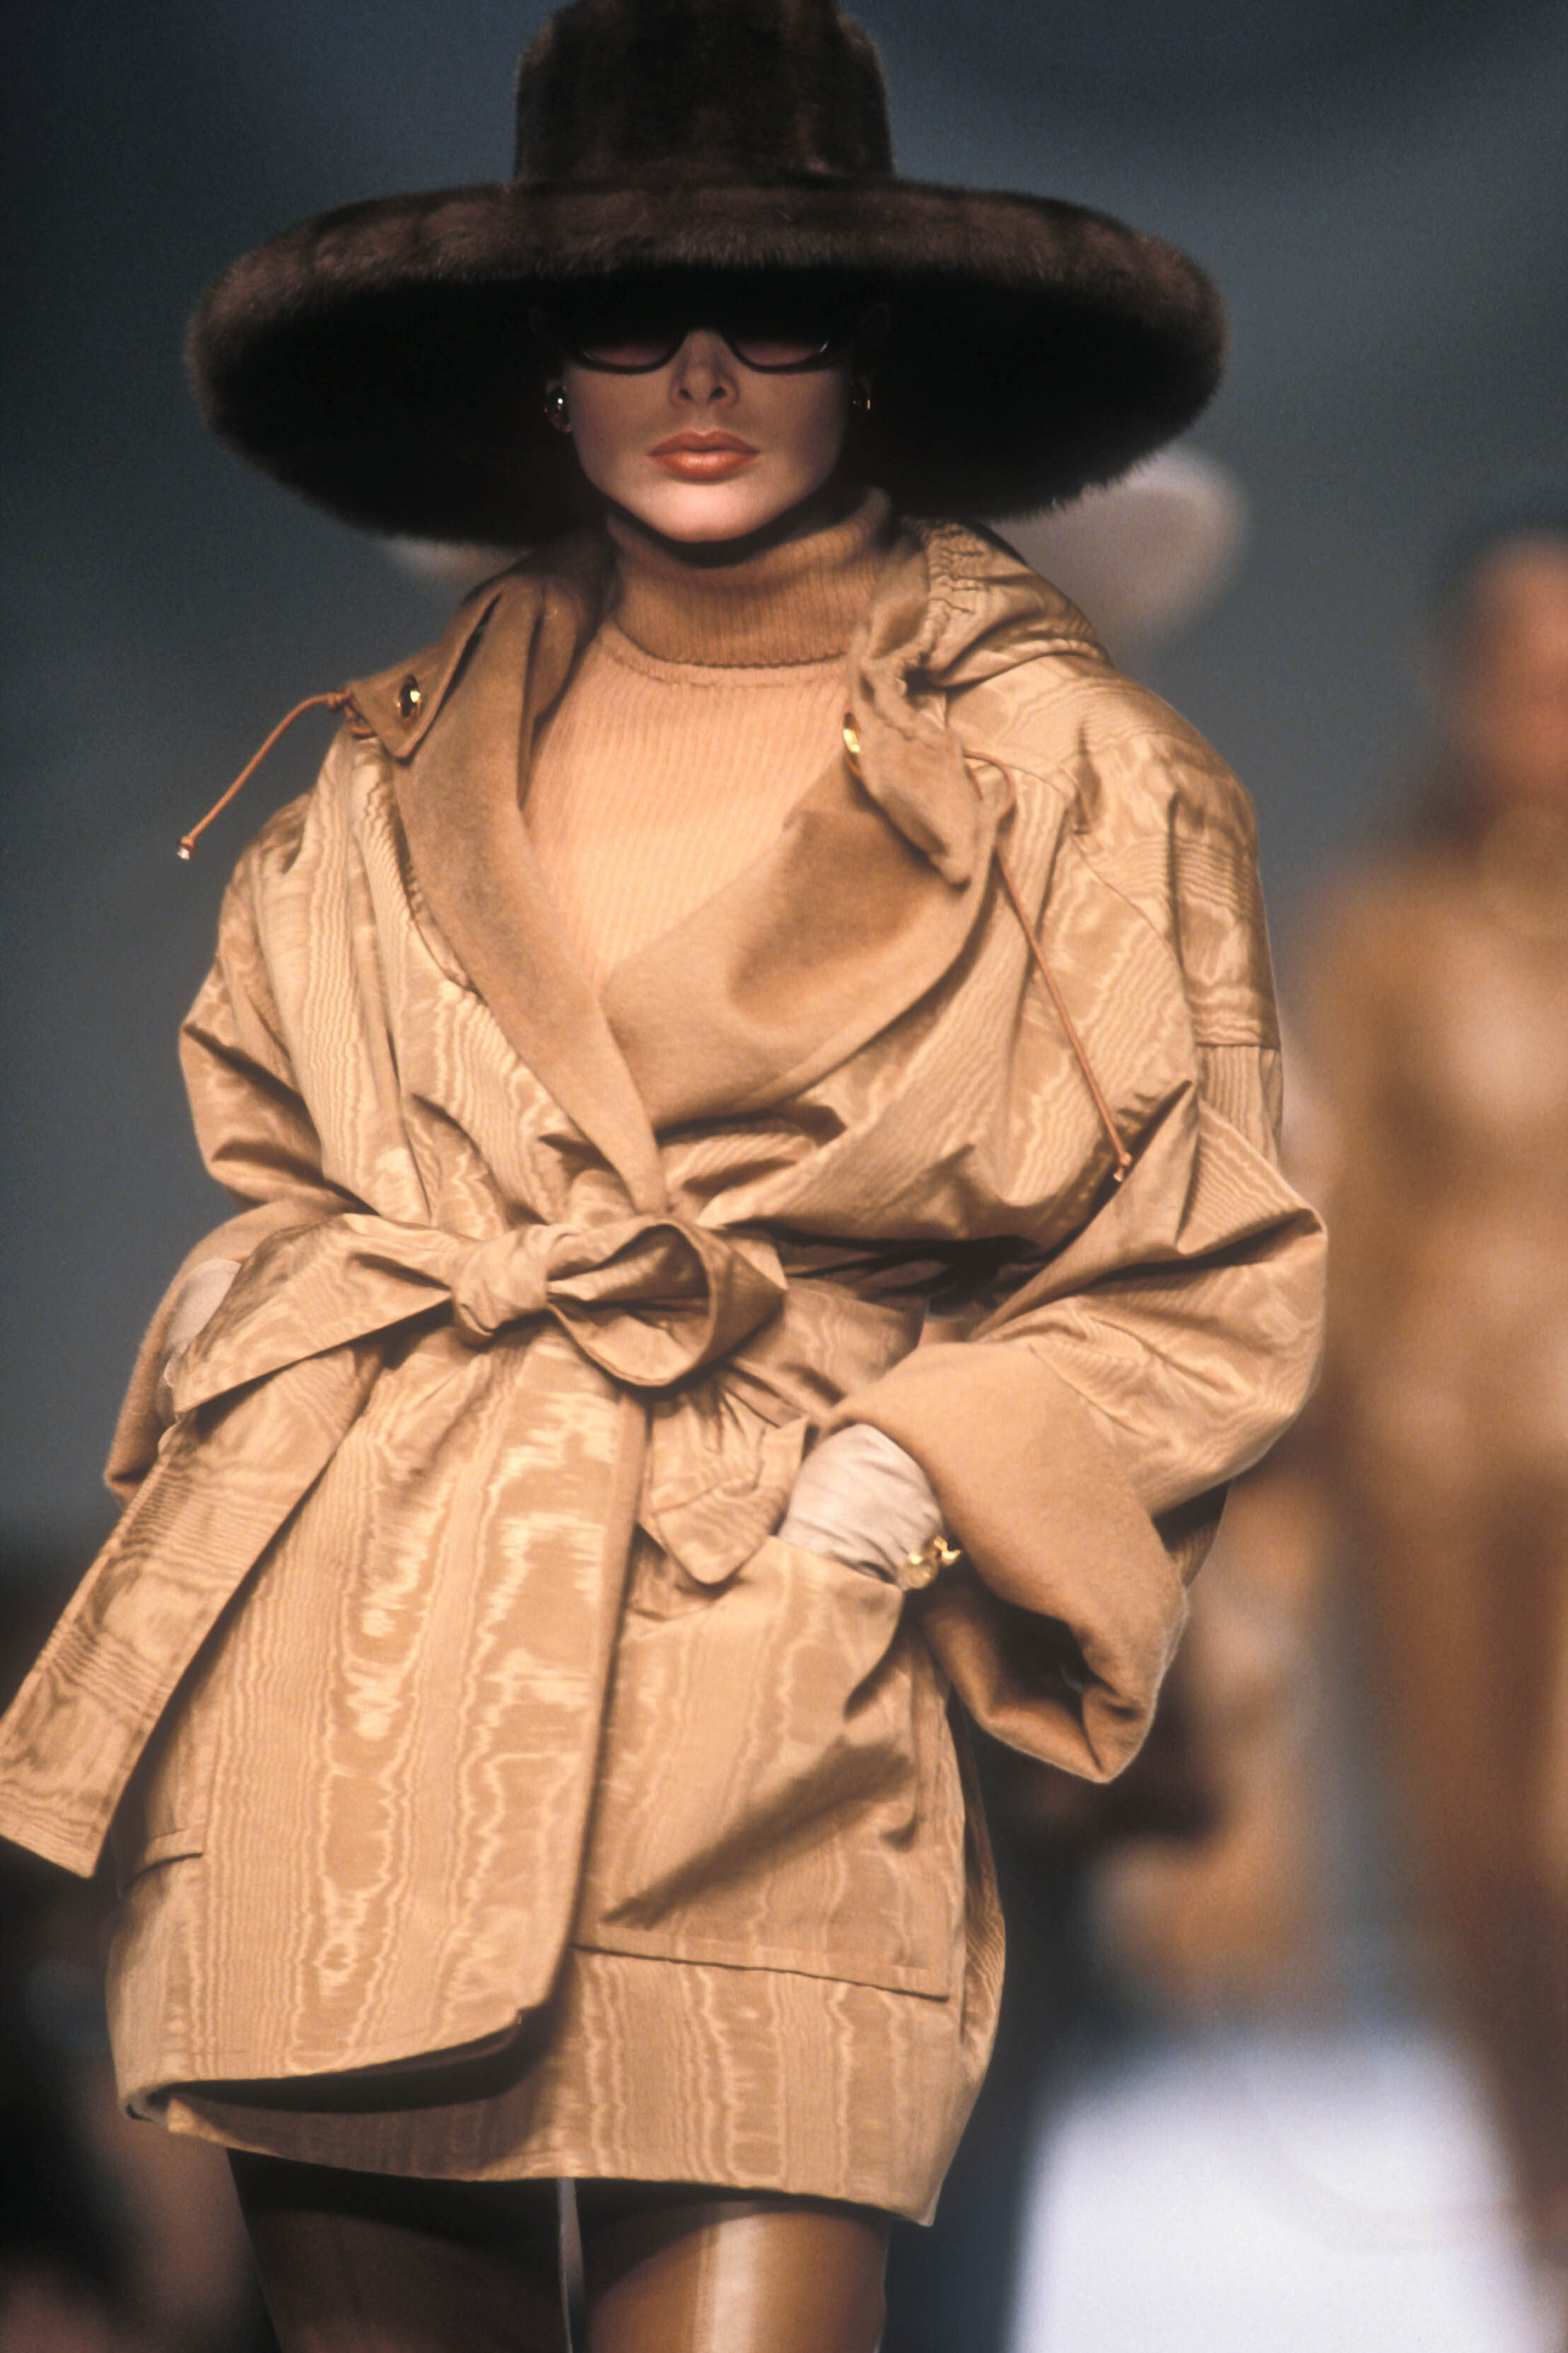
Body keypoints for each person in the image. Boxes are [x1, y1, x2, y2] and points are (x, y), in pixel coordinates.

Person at [0, 4, 1324, 2346]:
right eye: (629, 318)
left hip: (772, 1673)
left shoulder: (1075, 773)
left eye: (771, 316)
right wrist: (247, 1343)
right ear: (544, 366)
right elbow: (283, 1167)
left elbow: (1203, 1263)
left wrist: (897, 1489)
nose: (700, 378)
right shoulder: (376, 776)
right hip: (357, 1670)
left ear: (869, 347)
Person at [1292, 499, 1568, 2306]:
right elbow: (1334, 1212)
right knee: (1479, 1879)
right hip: (1435, 1471)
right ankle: (1544, 2246)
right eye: (1517, 668)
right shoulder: (1384, 922)